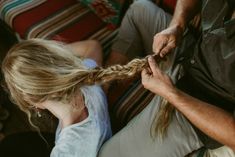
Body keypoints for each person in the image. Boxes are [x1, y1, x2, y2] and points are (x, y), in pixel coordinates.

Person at [99, 0, 235, 156]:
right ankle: (104, 90)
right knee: (140, 9)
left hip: (202, 103)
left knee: (108, 154)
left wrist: (171, 93)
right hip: (190, 53)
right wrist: (177, 25)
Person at [1, 38, 154, 157]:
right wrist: (45, 59)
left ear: (30, 99)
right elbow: (92, 46)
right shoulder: (86, 79)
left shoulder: (65, 151)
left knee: (8, 146)